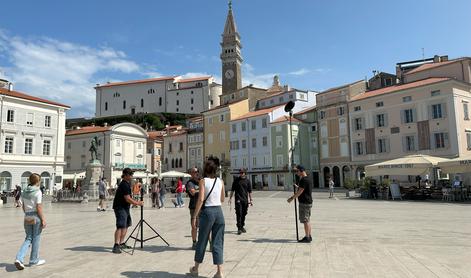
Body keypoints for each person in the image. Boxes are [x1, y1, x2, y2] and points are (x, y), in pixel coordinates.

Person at [189, 157, 225, 278]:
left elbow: (201, 199)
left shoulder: (203, 181)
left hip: (208, 212)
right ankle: (220, 272)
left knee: (202, 241)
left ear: (206, 169)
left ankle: (195, 269)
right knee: (218, 242)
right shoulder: (220, 181)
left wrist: (194, 217)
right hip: (219, 212)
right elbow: (222, 199)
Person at [14, 173, 47, 270]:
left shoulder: (24, 191)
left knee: (28, 238)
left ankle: (19, 258)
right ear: (38, 181)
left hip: (27, 216)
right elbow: (39, 207)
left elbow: (23, 206)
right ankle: (33, 261)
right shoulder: (38, 191)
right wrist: (43, 219)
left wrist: (27, 214)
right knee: (36, 238)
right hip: (36, 216)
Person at [112, 168, 144, 254]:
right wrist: (137, 203)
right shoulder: (124, 185)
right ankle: (116, 245)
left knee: (126, 225)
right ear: (125, 175)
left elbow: (128, 197)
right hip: (120, 207)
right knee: (120, 226)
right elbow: (127, 198)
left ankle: (122, 243)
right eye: (130, 175)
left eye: (131, 175)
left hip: (125, 208)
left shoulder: (127, 184)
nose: (131, 177)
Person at [287, 165, 313, 243]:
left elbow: (300, 191)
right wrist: (297, 186)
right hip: (308, 202)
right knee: (307, 220)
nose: (297, 173)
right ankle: (309, 235)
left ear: (301, 171)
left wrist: (291, 198)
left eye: (297, 171)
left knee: (305, 220)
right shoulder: (308, 178)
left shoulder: (303, 180)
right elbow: (303, 188)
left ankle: (307, 237)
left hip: (304, 203)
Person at [228, 168, 253, 235]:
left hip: (245, 200)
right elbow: (232, 190)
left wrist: (251, 200)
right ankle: (239, 228)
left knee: (244, 213)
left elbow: (250, 191)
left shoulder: (248, 181)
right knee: (239, 213)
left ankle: (242, 226)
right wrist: (230, 198)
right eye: (240, 172)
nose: (241, 174)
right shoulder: (236, 181)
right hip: (238, 199)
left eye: (242, 172)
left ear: (245, 173)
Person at [186, 167, 200, 250]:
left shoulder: (201, 181)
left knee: (206, 226)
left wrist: (198, 189)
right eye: (194, 172)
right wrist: (202, 189)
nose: (196, 173)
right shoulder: (189, 183)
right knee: (194, 226)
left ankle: (210, 243)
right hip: (194, 207)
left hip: (203, 206)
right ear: (191, 174)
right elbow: (192, 192)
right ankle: (194, 242)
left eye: (197, 172)